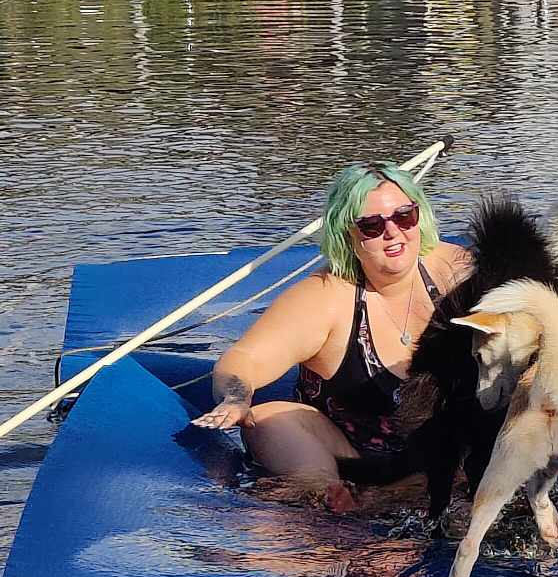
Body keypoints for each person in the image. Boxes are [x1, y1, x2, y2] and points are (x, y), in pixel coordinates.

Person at [193, 163, 472, 502]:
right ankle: (334, 498)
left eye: (404, 216)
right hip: (357, 463)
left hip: (448, 456)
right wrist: (237, 399)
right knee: (270, 419)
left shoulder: (455, 271)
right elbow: (244, 359)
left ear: (419, 216)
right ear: (347, 236)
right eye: (371, 225)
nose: (393, 232)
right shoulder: (326, 298)